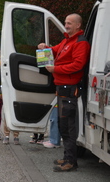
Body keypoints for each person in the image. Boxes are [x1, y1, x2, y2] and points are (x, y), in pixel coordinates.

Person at [38, 13, 91, 172]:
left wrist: (56, 69)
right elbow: (54, 51)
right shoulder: (67, 41)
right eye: (66, 22)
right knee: (63, 125)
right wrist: (44, 47)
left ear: (78, 26)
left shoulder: (81, 43)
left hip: (69, 88)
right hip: (62, 88)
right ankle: (67, 157)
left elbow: (77, 65)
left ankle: (71, 161)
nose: (66, 25)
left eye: (69, 23)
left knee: (68, 126)